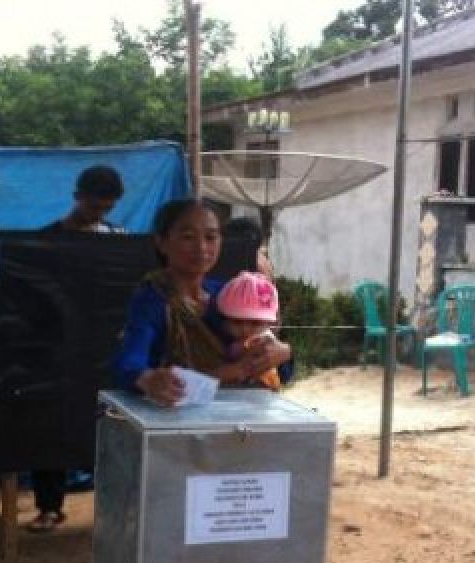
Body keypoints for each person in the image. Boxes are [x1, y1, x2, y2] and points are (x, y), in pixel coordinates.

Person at [113, 199, 292, 406]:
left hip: (240, 414)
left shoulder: (229, 294)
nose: (201, 247)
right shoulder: (152, 300)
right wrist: (148, 379)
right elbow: (128, 363)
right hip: (175, 417)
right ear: (162, 242)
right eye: (188, 237)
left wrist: (283, 353)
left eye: (211, 237)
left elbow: (275, 366)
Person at [28, 165, 125, 533]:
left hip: (105, 354)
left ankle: (116, 509)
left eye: (107, 208)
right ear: (77, 196)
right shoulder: (46, 242)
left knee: (111, 430)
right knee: (52, 428)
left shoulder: (120, 242)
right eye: (94, 205)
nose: (100, 213)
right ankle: (49, 507)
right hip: (57, 354)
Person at [216, 271, 283, 391]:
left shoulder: (264, 339)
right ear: (225, 320)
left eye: (255, 323)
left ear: (269, 323)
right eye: (237, 322)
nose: (245, 329)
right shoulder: (221, 339)